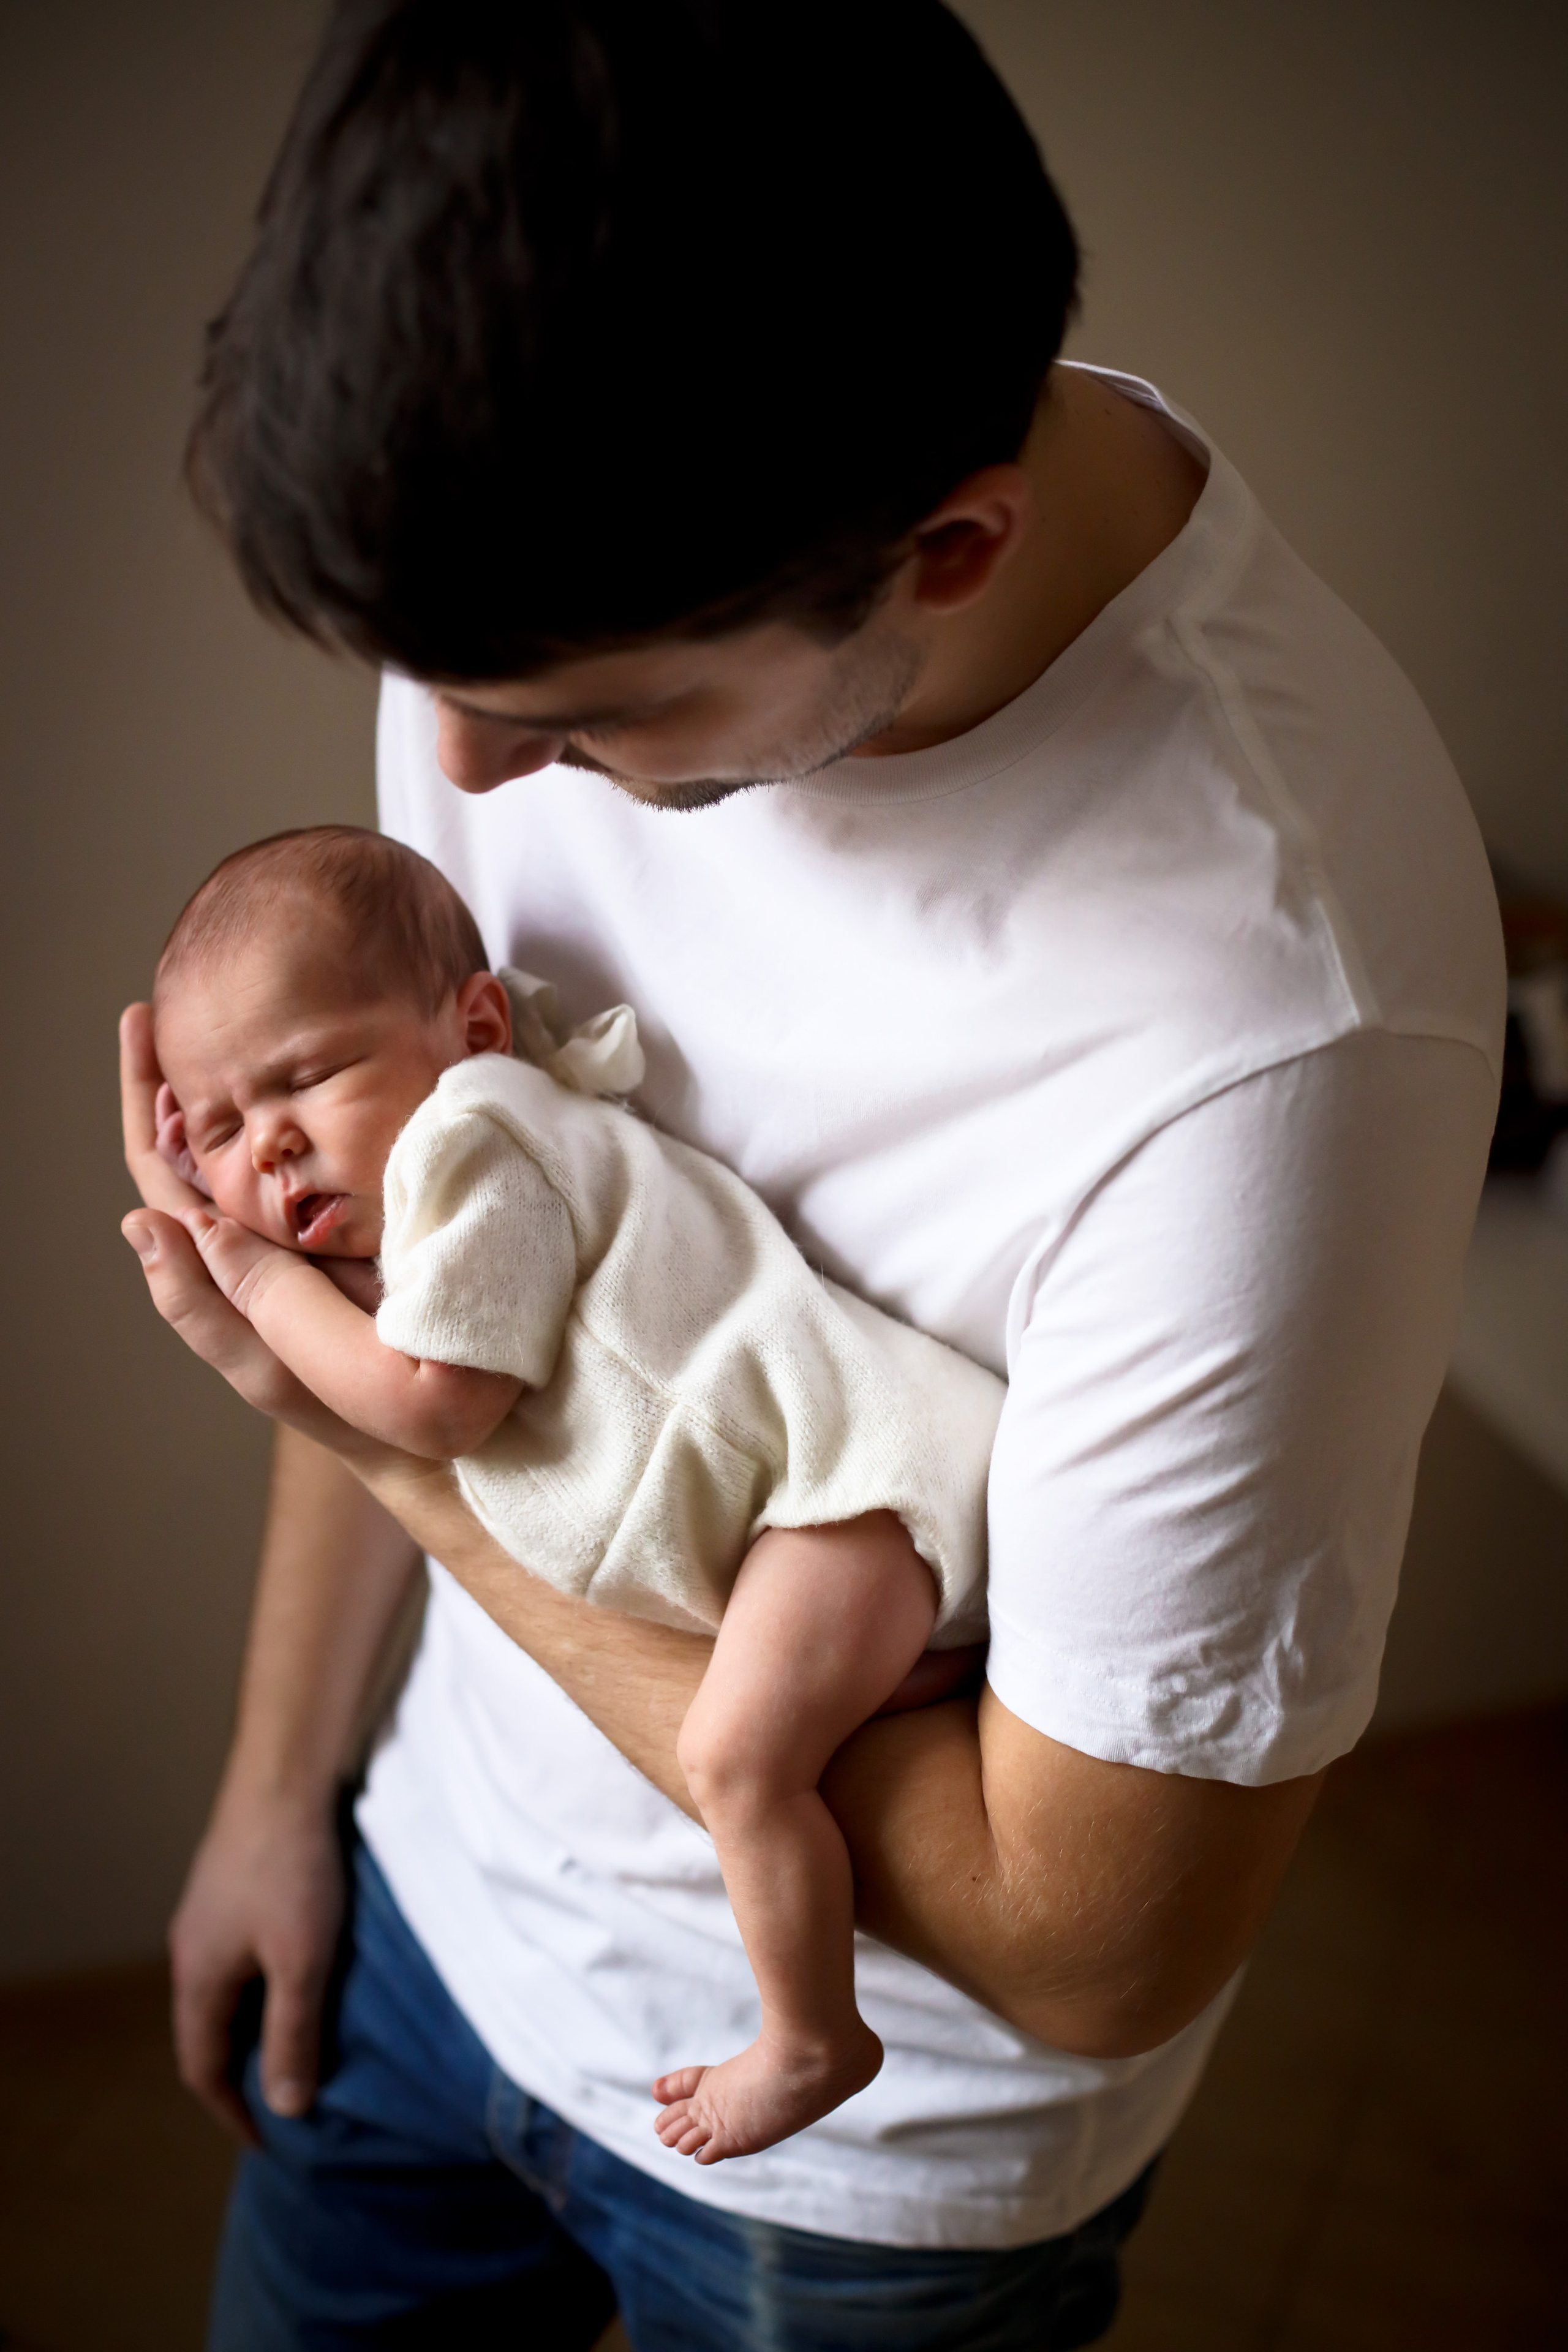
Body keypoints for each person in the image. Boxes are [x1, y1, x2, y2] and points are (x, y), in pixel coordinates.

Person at [118, 3, 1504, 2346]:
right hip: (422, 1926)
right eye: (435, 677)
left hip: (856, 2201)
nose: (462, 763)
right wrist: (284, 1793)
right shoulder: (532, 559)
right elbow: (413, 1222)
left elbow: (1097, 1948)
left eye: (577, 712)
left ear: (944, 546)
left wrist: (383, 1446)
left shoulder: (1287, 1020)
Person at [149, 822, 1000, 2167]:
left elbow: (432, 1404)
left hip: (851, 1484)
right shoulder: (423, 1194)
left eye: (304, 1077)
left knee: (734, 1756)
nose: (273, 1149)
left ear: (476, 1024)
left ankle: (811, 2035)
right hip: (804, 1525)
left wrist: (252, 1285)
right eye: (218, 1131)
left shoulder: (479, 1137)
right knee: (783, 1716)